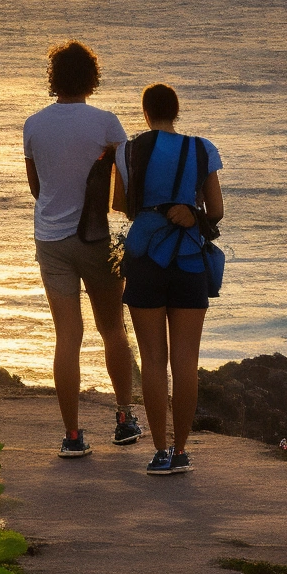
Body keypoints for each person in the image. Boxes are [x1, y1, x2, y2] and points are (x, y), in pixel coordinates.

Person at [23, 39, 142, 458]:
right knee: (113, 329)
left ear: (53, 79)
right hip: (94, 238)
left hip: (51, 240)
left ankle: (72, 435)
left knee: (67, 338)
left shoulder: (33, 125)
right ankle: (125, 419)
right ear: (92, 78)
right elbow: (126, 190)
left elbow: (37, 189)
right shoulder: (107, 124)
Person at [114, 82, 224, 475]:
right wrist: (188, 211)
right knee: (186, 363)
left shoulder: (127, 150)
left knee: (153, 361)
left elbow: (122, 206)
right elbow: (217, 210)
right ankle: (181, 451)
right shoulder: (202, 149)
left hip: (145, 260)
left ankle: (159, 452)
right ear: (177, 111)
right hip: (190, 259)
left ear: (145, 113)